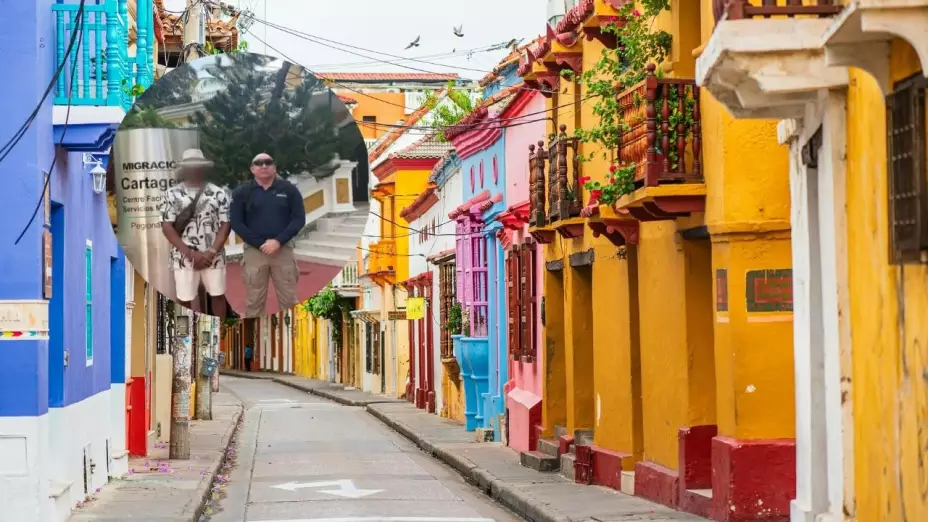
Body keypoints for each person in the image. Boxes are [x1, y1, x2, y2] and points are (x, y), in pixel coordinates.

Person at [229, 153, 306, 317]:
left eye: (268, 162)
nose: (263, 166)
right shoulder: (241, 193)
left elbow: (299, 219)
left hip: (283, 250)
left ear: (274, 167)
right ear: (252, 169)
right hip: (254, 253)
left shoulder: (289, 190)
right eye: (258, 163)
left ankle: (291, 338)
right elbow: (237, 223)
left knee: (289, 300)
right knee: (254, 301)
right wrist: (260, 244)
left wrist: (278, 241)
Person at [160, 149, 231, 317]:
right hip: (183, 257)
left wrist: (211, 252)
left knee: (218, 296)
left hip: (214, 256)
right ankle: (185, 335)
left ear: (203, 168)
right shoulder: (171, 194)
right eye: (189, 166)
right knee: (184, 299)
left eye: (197, 166)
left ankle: (219, 330)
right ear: (183, 169)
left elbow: (226, 224)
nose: (194, 169)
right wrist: (190, 253)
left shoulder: (218, 193)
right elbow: (167, 226)